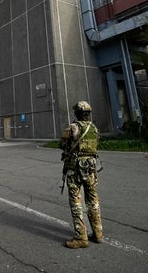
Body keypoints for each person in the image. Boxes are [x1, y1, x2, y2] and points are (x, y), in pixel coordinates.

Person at [59, 101, 103, 249]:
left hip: (75, 169)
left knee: (76, 202)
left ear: (77, 113)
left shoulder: (73, 128)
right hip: (91, 168)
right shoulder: (95, 128)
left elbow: (61, 144)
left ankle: (81, 237)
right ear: (88, 113)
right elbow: (96, 143)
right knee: (93, 200)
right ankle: (98, 234)